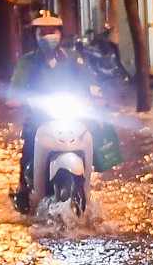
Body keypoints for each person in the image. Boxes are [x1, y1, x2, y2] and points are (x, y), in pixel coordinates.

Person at [7, 12, 101, 211]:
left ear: (60, 34)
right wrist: (18, 99)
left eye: (52, 31)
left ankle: (87, 183)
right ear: (36, 35)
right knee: (29, 144)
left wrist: (95, 95)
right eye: (43, 32)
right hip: (40, 119)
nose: (48, 36)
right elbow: (15, 91)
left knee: (90, 134)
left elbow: (89, 82)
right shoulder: (28, 62)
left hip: (71, 115)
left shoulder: (73, 58)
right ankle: (24, 187)